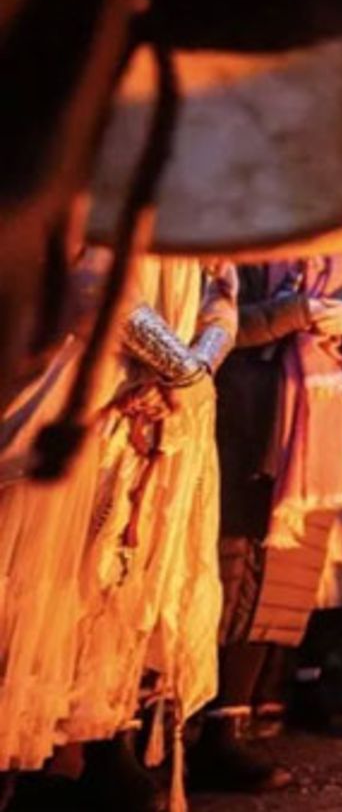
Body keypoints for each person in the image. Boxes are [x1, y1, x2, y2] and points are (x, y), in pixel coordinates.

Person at [0, 253, 234, 809]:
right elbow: (93, 287)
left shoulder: (209, 224)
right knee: (36, 581)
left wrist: (189, 373)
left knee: (110, 584)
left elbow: (223, 304)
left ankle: (80, 750)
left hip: (152, 416)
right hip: (81, 395)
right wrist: (181, 371)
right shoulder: (115, 207)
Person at [197, 253, 342, 793]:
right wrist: (297, 311)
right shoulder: (251, 251)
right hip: (247, 441)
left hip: (318, 457)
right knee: (226, 583)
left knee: (275, 595)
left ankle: (228, 727)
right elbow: (216, 331)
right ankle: (184, 724)